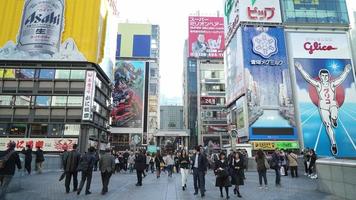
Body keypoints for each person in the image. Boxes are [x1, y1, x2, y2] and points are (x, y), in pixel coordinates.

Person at [295, 62, 352, 155]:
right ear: (320, 77)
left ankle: (334, 119)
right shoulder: (318, 84)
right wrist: (300, 68)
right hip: (323, 107)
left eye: (326, 76)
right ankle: (333, 144)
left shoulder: (332, 84)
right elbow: (308, 79)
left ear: (328, 76)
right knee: (328, 125)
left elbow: (341, 79)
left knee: (334, 113)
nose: (325, 77)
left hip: (332, 104)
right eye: (323, 76)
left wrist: (346, 71)